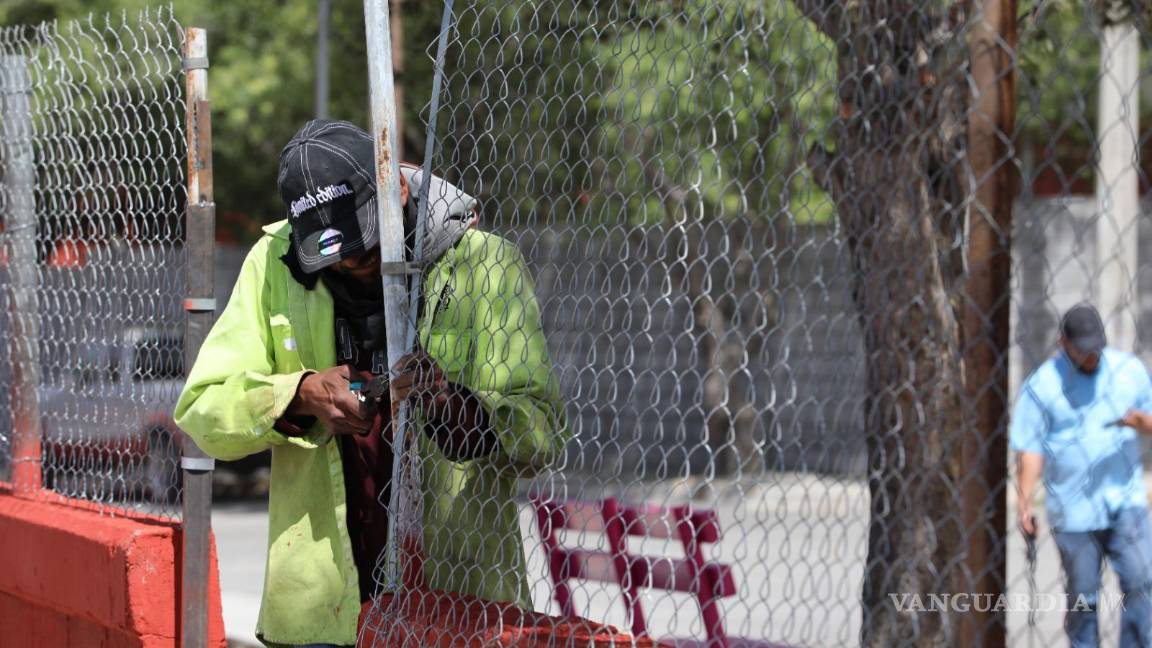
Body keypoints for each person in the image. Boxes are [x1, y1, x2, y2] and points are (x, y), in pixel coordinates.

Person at [174, 119, 567, 647]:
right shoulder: (275, 262)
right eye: (334, 255)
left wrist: (448, 401)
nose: (354, 263)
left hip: (459, 603)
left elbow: (540, 433)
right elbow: (203, 408)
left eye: (363, 241)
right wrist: (298, 394)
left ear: (397, 188)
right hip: (324, 611)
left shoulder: (484, 265)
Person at [1012, 303, 1152, 648]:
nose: (1092, 356)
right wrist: (1025, 501)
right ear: (1063, 343)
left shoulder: (1128, 370)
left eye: (1096, 347)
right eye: (1083, 349)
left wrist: (1142, 423)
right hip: (1073, 511)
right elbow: (1030, 448)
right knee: (1083, 598)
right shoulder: (1042, 385)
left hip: (1125, 500)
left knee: (1142, 581)